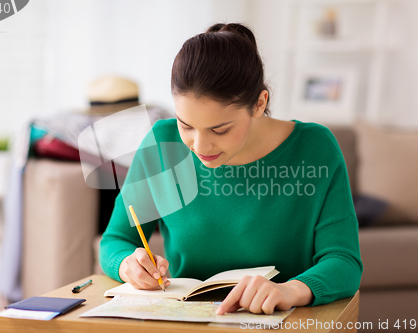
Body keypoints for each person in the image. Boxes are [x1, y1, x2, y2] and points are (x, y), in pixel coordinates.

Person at [100, 22, 363, 315]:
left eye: (220, 130)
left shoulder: (314, 148)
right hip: (183, 320)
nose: (200, 146)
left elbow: (344, 260)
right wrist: (128, 264)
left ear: (259, 103)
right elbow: (116, 240)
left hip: (278, 321)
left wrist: (289, 290)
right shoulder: (163, 143)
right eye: (186, 125)